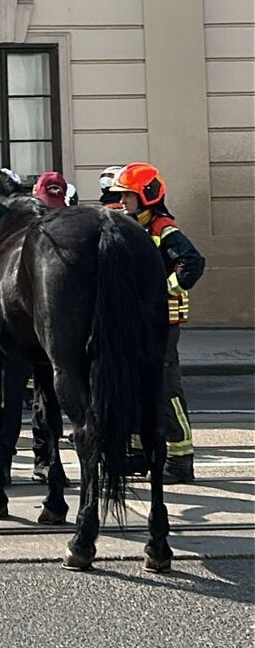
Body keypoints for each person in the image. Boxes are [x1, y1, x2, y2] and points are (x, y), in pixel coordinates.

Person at [116, 163, 206, 484]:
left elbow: (193, 261)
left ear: (147, 196)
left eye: (128, 196)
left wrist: (163, 288)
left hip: (163, 323)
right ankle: (139, 454)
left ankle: (181, 462)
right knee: (137, 386)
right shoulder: (132, 226)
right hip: (138, 322)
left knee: (166, 388)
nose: (123, 202)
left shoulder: (164, 229)